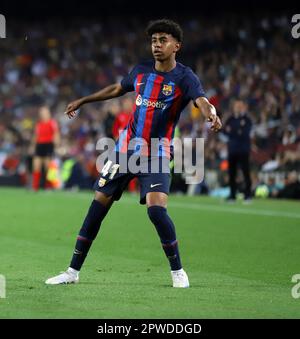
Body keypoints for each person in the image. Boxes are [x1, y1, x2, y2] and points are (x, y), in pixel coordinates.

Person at [45, 19, 222, 288]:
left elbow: (201, 99)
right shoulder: (140, 71)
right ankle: (72, 271)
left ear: (177, 46)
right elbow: (118, 88)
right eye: (154, 41)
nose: (157, 45)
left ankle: (178, 271)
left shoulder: (185, 77)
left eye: (163, 40)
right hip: (124, 151)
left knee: (156, 211)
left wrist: (211, 112)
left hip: (157, 153)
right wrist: (84, 100)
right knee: (97, 208)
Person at [224, 99, 252, 202]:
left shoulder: (247, 119)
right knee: (232, 173)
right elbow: (224, 131)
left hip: (243, 150)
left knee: (246, 172)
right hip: (232, 150)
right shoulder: (230, 119)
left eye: (240, 106)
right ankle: (232, 195)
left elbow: (244, 133)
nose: (238, 107)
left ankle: (248, 195)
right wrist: (237, 130)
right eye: (237, 105)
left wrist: (233, 130)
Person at [31, 106, 60, 191]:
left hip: (48, 145)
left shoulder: (52, 122)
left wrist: (57, 144)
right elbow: (35, 135)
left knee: (47, 167)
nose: (43, 114)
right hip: (39, 145)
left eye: (44, 112)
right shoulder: (39, 124)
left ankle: (48, 186)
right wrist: (32, 146)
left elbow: (56, 133)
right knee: (36, 166)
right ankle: (35, 187)